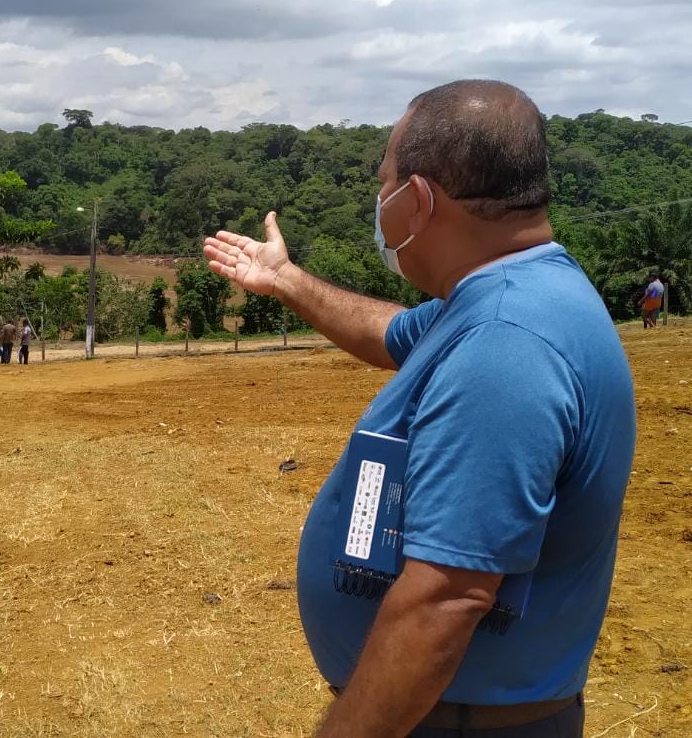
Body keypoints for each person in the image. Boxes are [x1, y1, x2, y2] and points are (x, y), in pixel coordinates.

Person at [204, 80, 635, 738]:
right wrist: (286, 280)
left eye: (385, 182)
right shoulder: (502, 298)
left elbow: (446, 599)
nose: (378, 202)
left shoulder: (504, 346)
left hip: (457, 722)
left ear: (419, 200)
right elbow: (392, 332)